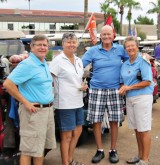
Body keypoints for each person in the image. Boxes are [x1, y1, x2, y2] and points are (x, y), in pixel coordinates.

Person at [3, 34, 56, 165]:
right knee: (28, 150)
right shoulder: (28, 64)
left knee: (39, 149)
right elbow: (8, 84)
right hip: (34, 113)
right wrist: (25, 102)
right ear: (31, 47)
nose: (42, 47)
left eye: (45, 45)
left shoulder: (43, 63)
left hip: (46, 111)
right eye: (39, 45)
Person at [82, 25, 129, 164]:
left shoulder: (120, 49)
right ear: (100, 36)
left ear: (113, 35)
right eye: (104, 34)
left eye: (109, 34)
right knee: (96, 121)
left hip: (115, 90)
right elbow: (79, 65)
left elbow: (129, 64)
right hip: (96, 89)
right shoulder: (93, 51)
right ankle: (100, 150)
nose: (106, 36)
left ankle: (113, 150)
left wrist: (123, 82)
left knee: (114, 121)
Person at [49, 32, 88, 165]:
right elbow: (50, 79)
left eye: (73, 42)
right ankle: (65, 162)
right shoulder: (58, 61)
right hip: (64, 103)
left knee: (78, 131)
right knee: (66, 136)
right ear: (63, 44)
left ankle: (70, 160)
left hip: (78, 101)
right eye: (68, 42)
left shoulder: (78, 60)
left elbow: (77, 79)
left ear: (76, 44)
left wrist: (82, 85)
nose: (71, 44)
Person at [119, 36, 153, 165]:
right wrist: (123, 88)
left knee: (144, 129)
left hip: (142, 97)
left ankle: (145, 159)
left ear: (137, 46)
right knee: (137, 129)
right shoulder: (125, 64)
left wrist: (129, 87)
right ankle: (139, 155)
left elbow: (147, 81)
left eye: (132, 45)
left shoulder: (143, 61)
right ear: (125, 49)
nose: (130, 48)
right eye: (128, 46)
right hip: (130, 98)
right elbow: (123, 82)